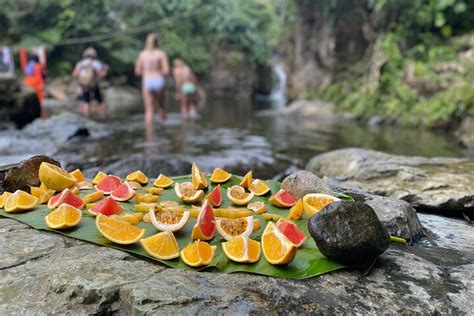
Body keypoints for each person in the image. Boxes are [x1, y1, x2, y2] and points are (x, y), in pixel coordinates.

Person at [135, 33, 170, 126]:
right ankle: (164, 130)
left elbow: (137, 71)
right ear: (157, 42)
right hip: (158, 79)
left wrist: (146, 72)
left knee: (149, 110)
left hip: (147, 80)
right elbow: (166, 71)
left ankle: (149, 135)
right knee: (161, 107)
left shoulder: (142, 54)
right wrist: (158, 71)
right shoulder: (161, 54)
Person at [72, 47, 108, 119]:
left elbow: (74, 75)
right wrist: (105, 70)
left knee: (86, 101)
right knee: (100, 101)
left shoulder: (80, 63)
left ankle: (87, 118)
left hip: (83, 85)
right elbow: (101, 75)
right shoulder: (95, 63)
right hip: (93, 84)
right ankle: (103, 117)